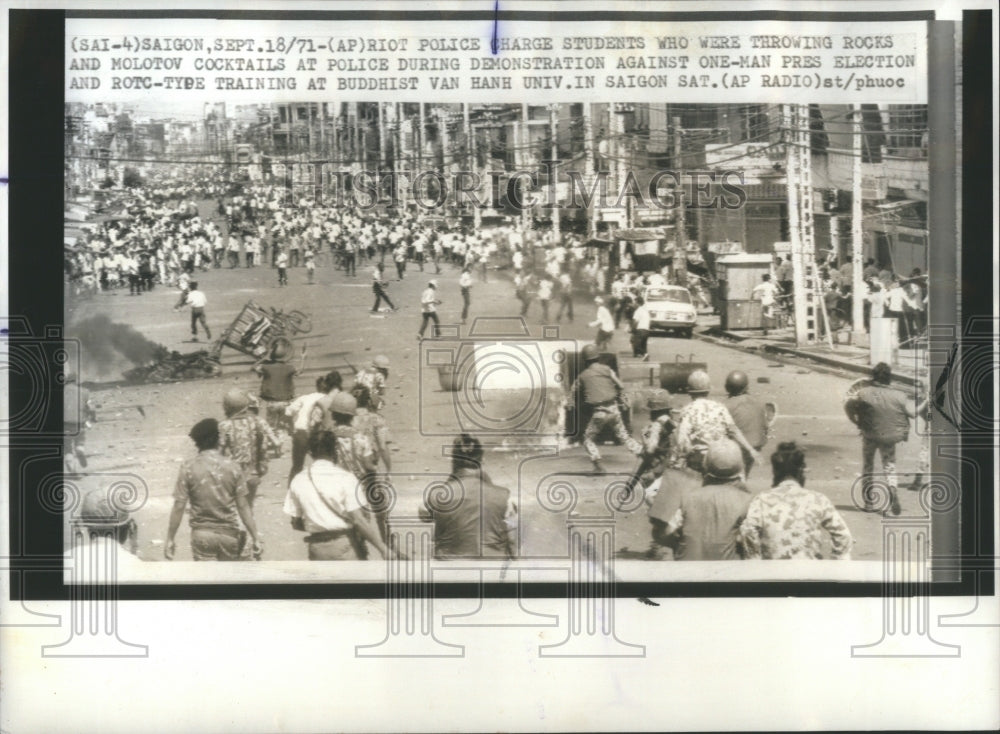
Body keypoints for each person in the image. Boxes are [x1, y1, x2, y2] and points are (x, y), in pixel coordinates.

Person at [283, 429, 393, 560]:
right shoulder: (346, 478)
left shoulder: (298, 480)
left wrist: (319, 522)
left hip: (316, 549)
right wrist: (382, 548)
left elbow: (296, 523)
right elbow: (359, 521)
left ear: (310, 452)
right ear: (334, 450)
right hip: (345, 545)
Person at [165, 418, 262, 562]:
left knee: (207, 581)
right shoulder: (233, 467)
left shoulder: (188, 467)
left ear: (197, 442)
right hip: (229, 534)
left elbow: (179, 506)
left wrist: (170, 538)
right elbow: (243, 506)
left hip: (202, 535)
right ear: (218, 439)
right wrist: (255, 537)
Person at [737, 442, 853, 560]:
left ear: (775, 472)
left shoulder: (762, 499)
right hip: (810, 572)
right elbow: (843, 535)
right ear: (800, 472)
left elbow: (748, 531)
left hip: (773, 572)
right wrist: (837, 562)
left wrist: (755, 561)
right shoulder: (818, 499)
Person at [844, 362, 929, 515]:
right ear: (889, 378)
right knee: (889, 466)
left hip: (869, 435)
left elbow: (848, 406)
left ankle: (869, 502)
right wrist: (926, 402)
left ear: (873, 376)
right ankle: (892, 490)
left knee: (868, 466)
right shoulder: (899, 396)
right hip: (889, 437)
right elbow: (913, 413)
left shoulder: (863, 393)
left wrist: (855, 421)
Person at [418, 433, 518, 559]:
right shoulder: (503, 496)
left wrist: (453, 478)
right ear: (482, 460)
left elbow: (424, 515)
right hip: (493, 567)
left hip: (450, 567)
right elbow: (513, 542)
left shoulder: (438, 495)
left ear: (454, 461)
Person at [654, 439, 753, 560]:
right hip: (727, 570)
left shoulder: (689, 497)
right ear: (741, 467)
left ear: (706, 465)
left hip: (689, 569)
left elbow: (665, 533)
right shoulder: (747, 500)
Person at [570, 343, 642, 474]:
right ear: (597, 357)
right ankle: (642, 455)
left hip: (600, 412)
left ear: (585, 360)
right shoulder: (607, 370)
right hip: (614, 409)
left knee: (587, 439)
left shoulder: (582, 376)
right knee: (624, 436)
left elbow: (574, 390)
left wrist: (572, 401)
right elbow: (620, 385)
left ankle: (598, 465)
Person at [672, 370, 760, 474]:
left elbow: (682, 441)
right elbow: (733, 430)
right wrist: (750, 450)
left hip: (700, 460)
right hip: (721, 456)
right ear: (709, 390)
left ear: (689, 391)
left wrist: (676, 459)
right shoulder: (720, 407)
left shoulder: (687, 410)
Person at [219, 388, 282, 506]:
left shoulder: (224, 426)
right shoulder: (258, 421)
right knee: (248, 506)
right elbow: (276, 442)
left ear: (226, 407)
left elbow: (218, 450)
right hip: (253, 472)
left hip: (231, 474)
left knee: (233, 507)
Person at [723, 370, 770, 476]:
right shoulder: (759, 402)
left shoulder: (725, 405)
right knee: (744, 473)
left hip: (735, 448)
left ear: (727, 387)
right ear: (746, 387)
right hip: (755, 445)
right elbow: (765, 428)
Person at [284, 376, 330, 483]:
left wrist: (291, 429)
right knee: (323, 465)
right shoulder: (328, 400)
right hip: (318, 435)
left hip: (301, 433)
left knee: (297, 466)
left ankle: (291, 491)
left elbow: (288, 412)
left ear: (317, 386)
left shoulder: (305, 397)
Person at [252, 340, 300, 435]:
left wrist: (264, 357)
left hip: (272, 403)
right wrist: (303, 358)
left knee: (271, 427)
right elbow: (300, 371)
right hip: (286, 402)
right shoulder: (290, 367)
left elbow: (254, 367)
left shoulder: (266, 367)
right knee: (286, 428)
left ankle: (272, 444)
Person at [63, 370, 96, 475]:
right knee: (80, 441)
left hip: (64, 424)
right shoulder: (85, 391)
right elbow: (91, 408)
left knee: (67, 448)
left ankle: (71, 467)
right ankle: (80, 449)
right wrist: (93, 418)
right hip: (80, 423)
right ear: (76, 380)